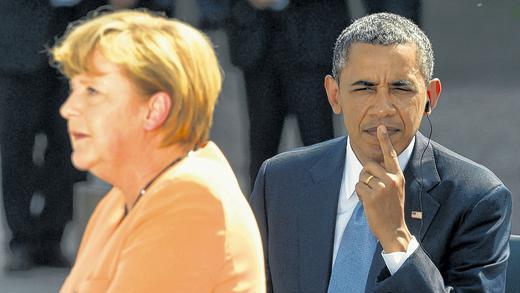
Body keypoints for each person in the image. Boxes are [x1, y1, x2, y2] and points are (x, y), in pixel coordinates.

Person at [250, 13, 511, 292]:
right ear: (334, 95)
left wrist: (397, 238)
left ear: (430, 97)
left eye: (401, 88)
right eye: (365, 88)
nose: (382, 108)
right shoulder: (280, 181)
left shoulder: (477, 199)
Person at [51, 9, 265, 292]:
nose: (68, 109)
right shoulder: (122, 199)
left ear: (154, 110)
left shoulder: (191, 199)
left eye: (92, 91)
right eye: (73, 89)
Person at [0, 0, 87, 271]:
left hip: (78, 24)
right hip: (21, 34)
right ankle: (22, 240)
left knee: (71, 143)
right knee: (17, 145)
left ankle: (52, 238)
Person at [225, 0, 350, 186]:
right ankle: (259, 213)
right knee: (261, 151)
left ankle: (326, 212)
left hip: (312, 34)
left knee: (319, 149)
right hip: (257, 37)